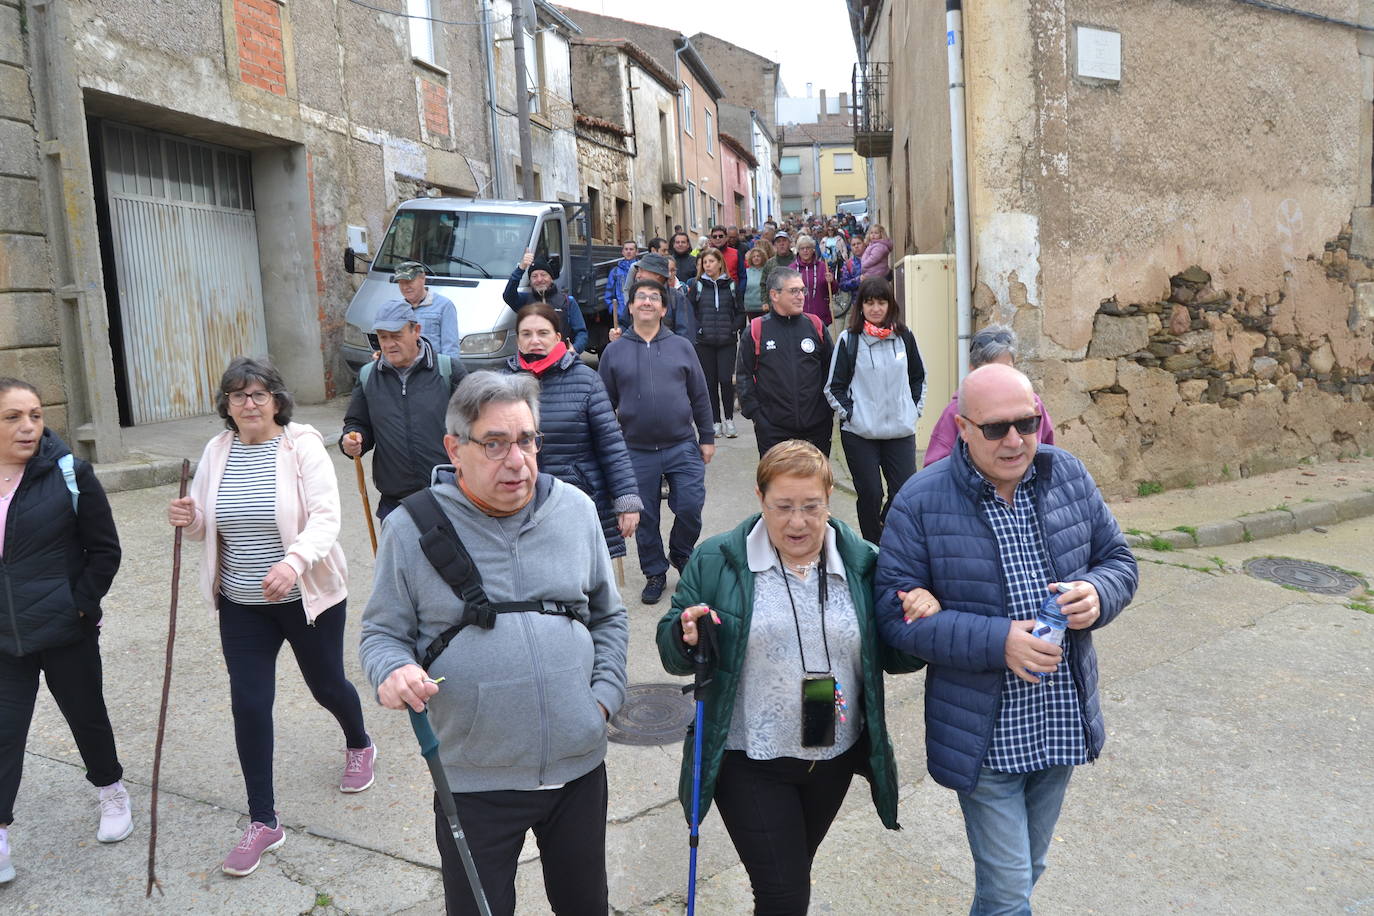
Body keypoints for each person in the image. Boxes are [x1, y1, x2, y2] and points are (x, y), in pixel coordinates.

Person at [359, 372, 629, 916]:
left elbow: (609, 615)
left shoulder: (575, 509)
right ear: (455, 450)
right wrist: (391, 671)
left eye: (527, 440)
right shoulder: (411, 528)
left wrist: (601, 699)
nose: (517, 460)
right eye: (495, 444)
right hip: (474, 779)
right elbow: (382, 634)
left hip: (578, 770)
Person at [874, 363, 1139, 916]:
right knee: (1010, 888)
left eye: (1027, 422)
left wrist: (1098, 594)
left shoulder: (1066, 473)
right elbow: (894, 618)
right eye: (996, 428)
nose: (1016, 440)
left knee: (1024, 870)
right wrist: (1000, 642)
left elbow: (1119, 561)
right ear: (963, 427)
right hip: (983, 732)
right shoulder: (920, 501)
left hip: (1060, 719)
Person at [658, 440, 926, 914]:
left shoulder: (863, 561)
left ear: (828, 500)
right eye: (783, 507)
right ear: (760, 500)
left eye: (811, 507)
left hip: (832, 757)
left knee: (790, 877)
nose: (797, 522)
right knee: (784, 895)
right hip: (749, 759)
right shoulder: (718, 559)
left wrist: (917, 624)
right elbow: (673, 653)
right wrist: (686, 636)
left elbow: (896, 660)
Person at [168, 358, 373, 877]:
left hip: (305, 598)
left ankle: (358, 741)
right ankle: (264, 820)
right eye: (238, 396)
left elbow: (327, 514)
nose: (250, 404)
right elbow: (205, 524)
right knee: (250, 704)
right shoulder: (217, 451)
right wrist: (189, 518)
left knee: (327, 685)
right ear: (227, 406)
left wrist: (293, 562)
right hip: (241, 604)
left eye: (259, 394)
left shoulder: (300, 445)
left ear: (277, 400)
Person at [0, 378, 127, 885]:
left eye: (34, 414)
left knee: (86, 717)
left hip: (65, 628)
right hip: (5, 640)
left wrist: (79, 605)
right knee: (4, 736)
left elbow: (105, 550)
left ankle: (112, 791)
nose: (29, 426)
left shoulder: (70, 473)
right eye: (13, 417)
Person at [599, 279, 715, 604]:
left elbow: (700, 396)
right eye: (641, 297)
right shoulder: (614, 351)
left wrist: (706, 437)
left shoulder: (682, 346)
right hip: (635, 450)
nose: (647, 302)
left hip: (682, 445)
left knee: (691, 506)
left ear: (664, 308)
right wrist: (608, 450)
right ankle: (654, 571)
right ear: (631, 307)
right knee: (644, 516)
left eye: (654, 298)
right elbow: (603, 405)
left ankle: (681, 553)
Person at [506, 302, 642, 559]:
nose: (534, 340)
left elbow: (611, 445)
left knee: (584, 584)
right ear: (518, 339)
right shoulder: (504, 383)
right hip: (519, 503)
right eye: (526, 334)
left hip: (576, 497)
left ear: (557, 337)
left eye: (542, 333)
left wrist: (626, 500)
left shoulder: (585, 380)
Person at [341, 301, 464, 519]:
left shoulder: (448, 370)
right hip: (395, 501)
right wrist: (353, 440)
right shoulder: (368, 376)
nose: (388, 344)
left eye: (396, 335)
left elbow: (476, 425)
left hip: (448, 495)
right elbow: (358, 423)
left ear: (416, 330)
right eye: (382, 337)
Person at [825, 277, 926, 543]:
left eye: (881, 302)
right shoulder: (850, 340)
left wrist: (913, 410)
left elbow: (919, 377)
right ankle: (872, 545)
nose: (876, 308)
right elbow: (833, 387)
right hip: (860, 433)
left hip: (899, 430)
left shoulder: (904, 337)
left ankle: (890, 539)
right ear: (861, 306)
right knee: (870, 494)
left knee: (904, 490)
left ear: (890, 305)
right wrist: (852, 415)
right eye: (869, 302)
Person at [923, 324, 1055, 467]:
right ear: (972, 370)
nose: (1013, 442)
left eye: (1006, 370)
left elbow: (1048, 454)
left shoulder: (1033, 404)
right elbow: (935, 468)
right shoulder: (957, 410)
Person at [736, 268, 835, 457]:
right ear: (774, 295)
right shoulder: (756, 330)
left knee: (814, 485)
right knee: (778, 485)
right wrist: (757, 415)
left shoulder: (815, 326)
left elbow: (831, 370)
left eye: (802, 290)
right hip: (773, 430)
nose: (801, 296)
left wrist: (826, 411)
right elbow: (744, 376)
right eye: (794, 291)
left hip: (816, 428)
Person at [687, 246, 745, 439]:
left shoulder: (731, 285)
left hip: (727, 341)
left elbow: (740, 312)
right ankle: (715, 421)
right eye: (705, 262)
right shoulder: (698, 285)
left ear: (720, 263)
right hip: (705, 342)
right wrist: (699, 328)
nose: (708, 265)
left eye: (711, 261)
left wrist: (732, 327)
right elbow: (690, 311)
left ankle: (729, 419)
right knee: (710, 382)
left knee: (726, 381)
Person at [504, 250, 589, 352]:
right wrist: (521, 268)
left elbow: (582, 333)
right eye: (534, 276)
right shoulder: (524, 301)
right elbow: (508, 295)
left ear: (551, 278)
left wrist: (574, 349)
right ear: (530, 281)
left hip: (562, 360)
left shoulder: (567, 301)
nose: (539, 279)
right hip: (533, 358)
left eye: (543, 275)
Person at [607, 252, 696, 342]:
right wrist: (619, 332)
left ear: (657, 274)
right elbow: (625, 324)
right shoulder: (635, 296)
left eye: (642, 270)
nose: (638, 275)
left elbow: (686, 337)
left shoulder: (677, 299)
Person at [392, 261, 460, 361]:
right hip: (405, 370)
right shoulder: (397, 308)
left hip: (433, 371)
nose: (405, 287)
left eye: (409, 281)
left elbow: (450, 348)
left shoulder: (444, 306)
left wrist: (448, 373)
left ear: (423, 278)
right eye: (401, 283)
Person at [790, 234, 836, 331]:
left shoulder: (823, 267)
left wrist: (832, 282)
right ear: (798, 250)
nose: (805, 251)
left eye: (808, 248)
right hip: (798, 317)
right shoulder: (791, 269)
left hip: (820, 316)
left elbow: (833, 291)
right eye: (802, 248)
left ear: (813, 249)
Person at [604, 240, 639, 326]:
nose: (628, 251)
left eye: (631, 249)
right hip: (621, 317)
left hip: (639, 315)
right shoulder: (615, 271)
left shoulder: (641, 270)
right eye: (626, 249)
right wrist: (614, 310)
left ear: (637, 252)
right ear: (622, 252)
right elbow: (609, 294)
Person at [742, 243, 772, 320]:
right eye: (754, 256)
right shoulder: (746, 272)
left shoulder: (767, 272)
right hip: (749, 307)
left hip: (764, 307)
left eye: (758, 256)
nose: (756, 258)